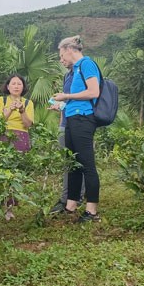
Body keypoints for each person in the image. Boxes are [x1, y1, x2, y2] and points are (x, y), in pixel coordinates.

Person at [52, 35, 102, 223]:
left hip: (83, 118)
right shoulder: (76, 69)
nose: (61, 58)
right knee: (73, 164)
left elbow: (93, 92)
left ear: (69, 49)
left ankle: (92, 210)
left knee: (87, 164)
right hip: (72, 118)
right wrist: (64, 103)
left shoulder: (87, 64)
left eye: (61, 53)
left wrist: (66, 95)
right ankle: (70, 205)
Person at [48, 57, 85, 215]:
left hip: (80, 122)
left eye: (63, 56)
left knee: (79, 162)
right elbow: (68, 103)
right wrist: (61, 114)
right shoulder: (67, 76)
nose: (61, 60)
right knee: (68, 163)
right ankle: (69, 197)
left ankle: (73, 198)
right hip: (66, 124)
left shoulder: (83, 71)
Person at [0, 74, 34, 152]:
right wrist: (10, 109)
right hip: (4, 135)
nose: (16, 86)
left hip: (22, 136)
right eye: (13, 84)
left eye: (19, 84)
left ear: (23, 87)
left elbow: (28, 125)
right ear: (8, 87)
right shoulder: (1, 100)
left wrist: (22, 110)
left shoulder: (28, 103)